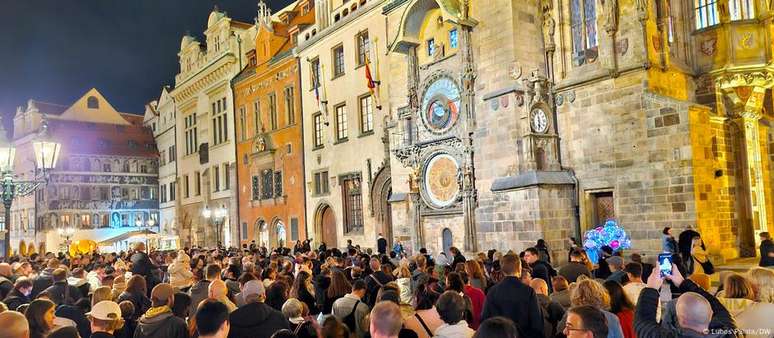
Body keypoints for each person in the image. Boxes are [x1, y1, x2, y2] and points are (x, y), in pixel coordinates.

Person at [633, 264, 736, 338]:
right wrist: (682, 282)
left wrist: (651, 288)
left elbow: (643, 322)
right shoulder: (730, 332)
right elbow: (716, 304)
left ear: (680, 319)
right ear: (711, 314)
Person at [480, 254, 544, 337]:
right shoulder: (528, 291)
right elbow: (537, 323)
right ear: (519, 269)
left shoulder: (493, 291)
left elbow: (485, 321)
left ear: (502, 270)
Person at [557, 278, 624, 338]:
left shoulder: (572, 316)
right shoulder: (612, 318)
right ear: (601, 295)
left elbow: (559, 331)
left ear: (576, 296)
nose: (565, 331)